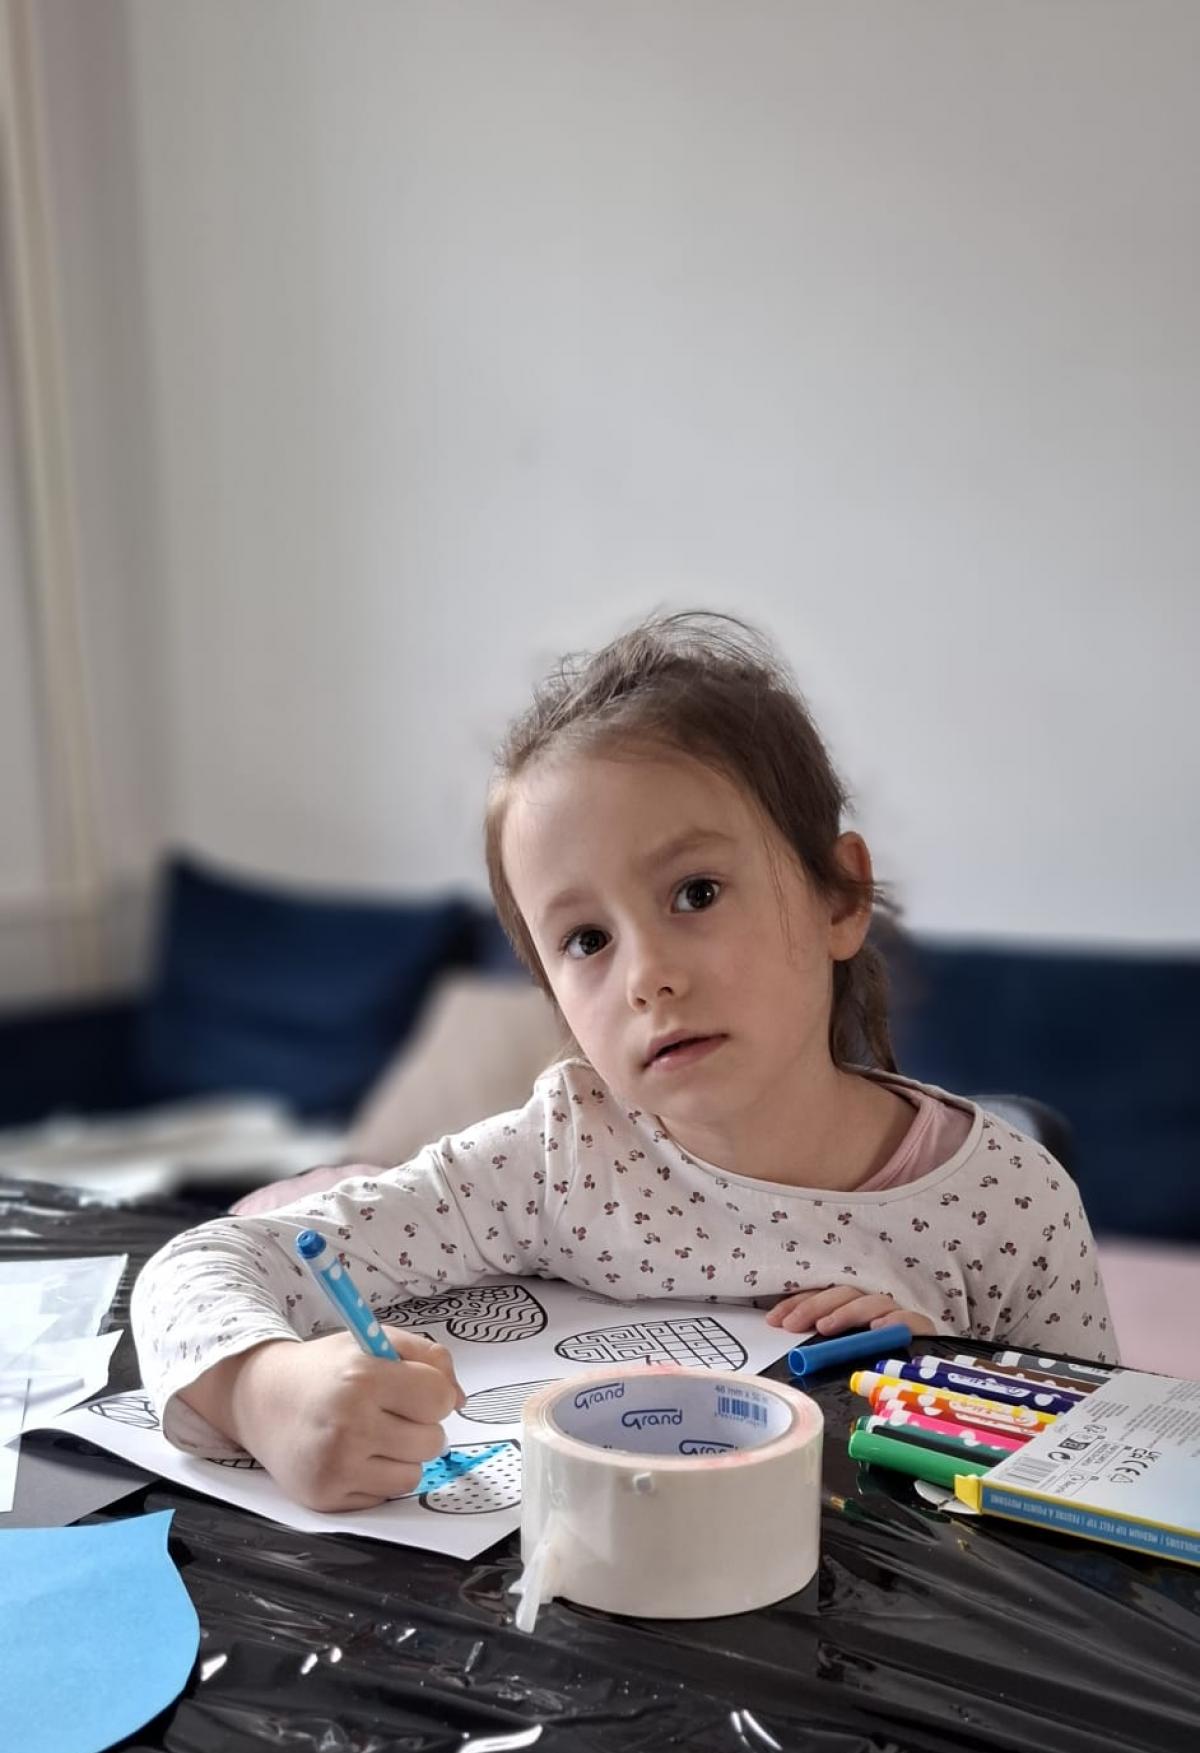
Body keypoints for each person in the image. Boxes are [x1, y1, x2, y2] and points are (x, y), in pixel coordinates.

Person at [133, 613, 1114, 1509]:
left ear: (839, 899)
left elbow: (1117, 1483)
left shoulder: (1010, 1206)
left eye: (695, 893)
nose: (647, 978)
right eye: (586, 941)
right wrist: (264, 1394)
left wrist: (956, 1386)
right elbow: (204, 1265)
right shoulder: (557, 1161)